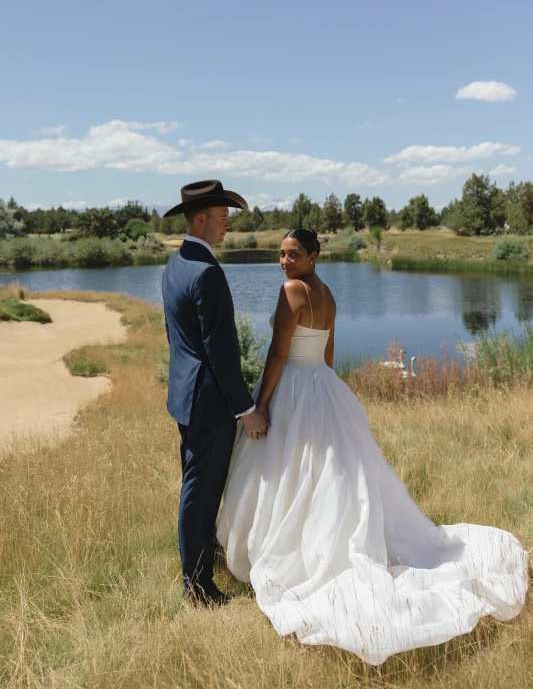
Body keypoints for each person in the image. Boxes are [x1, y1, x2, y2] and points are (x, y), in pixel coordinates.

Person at [217, 227, 529, 665]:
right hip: (321, 384)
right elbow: (327, 353)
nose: (285, 262)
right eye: (282, 254)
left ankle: (285, 550)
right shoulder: (326, 293)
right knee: (325, 470)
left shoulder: (292, 291)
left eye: (294, 254)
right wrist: (327, 392)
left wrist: (261, 404)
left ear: (313, 256)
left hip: (293, 387)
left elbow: (278, 353)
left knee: (288, 468)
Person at [162, 180, 269, 607]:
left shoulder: (177, 262)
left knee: (197, 490)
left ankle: (203, 567)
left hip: (185, 397)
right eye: (223, 217)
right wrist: (246, 409)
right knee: (200, 495)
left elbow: (180, 339)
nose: (228, 224)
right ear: (201, 219)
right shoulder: (206, 272)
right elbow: (221, 353)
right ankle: (198, 588)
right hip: (208, 404)